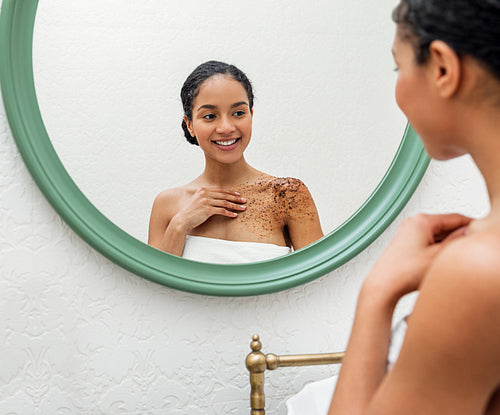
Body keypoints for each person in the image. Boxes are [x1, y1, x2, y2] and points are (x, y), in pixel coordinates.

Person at [325, 0, 500, 413]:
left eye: (397, 67)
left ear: (442, 68)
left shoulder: (478, 269)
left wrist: (378, 292)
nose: (399, 89)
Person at [148, 61, 323, 263]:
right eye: (210, 116)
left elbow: (320, 282)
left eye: (238, 113)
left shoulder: (286, 194)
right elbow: (155, 288)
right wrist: (180, 224)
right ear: (190, 125)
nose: (226, 127)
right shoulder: (167, 204)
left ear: (251, 115)